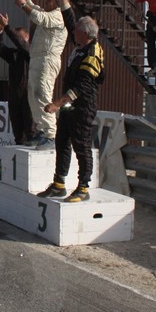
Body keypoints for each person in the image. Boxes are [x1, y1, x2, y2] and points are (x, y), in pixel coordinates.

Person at [37, 16, 105, 202]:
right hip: (70, 106)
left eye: (75, 30)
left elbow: (81, 88)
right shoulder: (81, 46)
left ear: (84, 33)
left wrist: (56, 104)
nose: (72, 31)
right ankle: (59, 183)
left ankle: (83, 187)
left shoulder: (92, 53)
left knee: (82, 146)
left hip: (83, 106)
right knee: (62, 141)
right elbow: (70, 18)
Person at [14, 0, 75, 151]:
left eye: (50, 0)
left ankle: (50, 134)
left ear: (58, 3)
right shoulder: (48, 12)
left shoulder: (58, 16)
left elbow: (39, 17)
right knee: (33, 94)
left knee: (42, 93)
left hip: (48, 59)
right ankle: (41, 130)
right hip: (37, 58)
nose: (46, 2)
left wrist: (23, 5)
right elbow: (35, 8)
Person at [0, 12, 34, 145]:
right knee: (18, 132)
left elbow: (21, 44)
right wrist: (0, 33)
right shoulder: (14, 54)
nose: (16, 41)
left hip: (28, 97)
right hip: (15, 96)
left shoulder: (31, 52)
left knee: (30, 131)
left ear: (27, 37)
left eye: (19, 37)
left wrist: (7, 27)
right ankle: (19, 154)